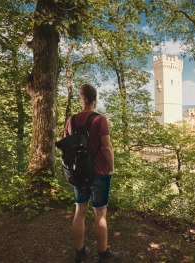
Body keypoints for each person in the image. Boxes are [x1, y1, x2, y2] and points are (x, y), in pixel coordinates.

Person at [63, 83, 125, 263]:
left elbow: (67, 148)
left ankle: (80, 252)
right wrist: (111, 168)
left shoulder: (71, 121)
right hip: (99, 172)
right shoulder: (100, 120)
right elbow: (107, 148)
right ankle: (103, 254)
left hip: (79, 173)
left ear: (81, 99)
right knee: (100, 215)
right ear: (95, 99)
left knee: (79, 211)